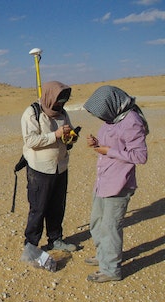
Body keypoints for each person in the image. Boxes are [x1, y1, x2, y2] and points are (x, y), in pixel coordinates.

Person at [84, 86, 148, 283]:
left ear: (112, 104)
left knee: (111, 227)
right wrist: (97, 144)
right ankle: (104, 255)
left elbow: (140, 156)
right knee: (96, 222)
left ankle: (111, 269)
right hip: (104, 180)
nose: (101, 118)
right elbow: (110, 144)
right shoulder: (113, 118)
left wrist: (108, 151)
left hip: (119, 184)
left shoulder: (132, 122)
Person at [20, 81, 78, 263]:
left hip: (60, 167)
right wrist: (56, 135)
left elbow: (66, 136)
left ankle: (55, 239)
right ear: (49, 97)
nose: (59, 106)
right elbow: (30, 141)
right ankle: (31, 244)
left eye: (62, 103)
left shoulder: (63, 113)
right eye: (57, 102)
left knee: (57, 206)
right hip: (39, 169)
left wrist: (70, 137)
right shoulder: (32, 113)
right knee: (38, 208)